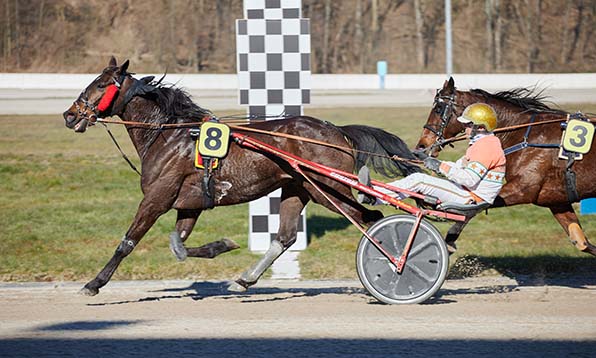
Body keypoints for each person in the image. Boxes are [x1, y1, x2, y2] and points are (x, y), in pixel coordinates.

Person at [358, 103, 506, 207]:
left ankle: (374, 196)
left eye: (468, 124)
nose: (464, 127)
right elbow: (459, 167)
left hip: (472, 198)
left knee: (419, 180)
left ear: (480, 127)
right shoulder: (482, 143)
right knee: (418, 180)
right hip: (467, 192)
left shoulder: (487, 146)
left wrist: (439, 166)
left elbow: (468, 179)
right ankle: (375, 195)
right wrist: (427, 161)